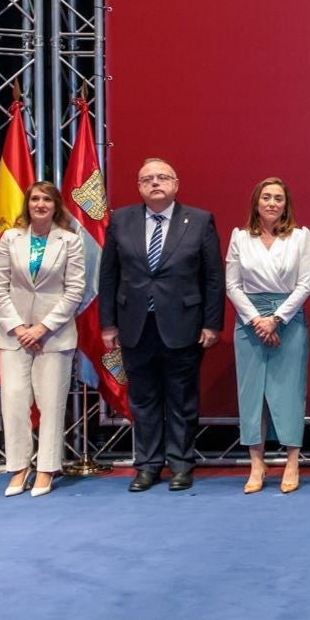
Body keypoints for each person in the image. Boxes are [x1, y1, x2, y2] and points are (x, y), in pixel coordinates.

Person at [99, 158, 225, 492]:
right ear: (139, 186)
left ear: (176, 184)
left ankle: (182, 465)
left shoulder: (199, 220)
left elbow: (213, 277)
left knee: (182, 399)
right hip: (134, 325)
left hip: (183, 324)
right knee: (143, 399)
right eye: (147, 179)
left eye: (162, 178)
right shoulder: (120, 220)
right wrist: (108, 324)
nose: (155, 183)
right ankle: (148, 465)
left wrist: (212, 324)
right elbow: (108, 274)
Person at [0, 182, 85, 497]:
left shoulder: (70, 240)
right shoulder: (10, 238)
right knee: (14, 401)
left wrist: (42, 327)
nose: (40, 204)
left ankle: (46, 468)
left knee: (51, 404)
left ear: (56, 205)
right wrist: (18, 327)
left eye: (46, 199)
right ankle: (18, 468)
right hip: (13, 335)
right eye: (34, 199)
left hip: (53, 336)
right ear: (27, 204)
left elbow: (74, 290)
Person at [225, 178, 310, 494]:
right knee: (252, 396)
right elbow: (232, 285)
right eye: (267, 197)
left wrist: (275, 319)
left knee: (289, 392)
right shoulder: (240, 237)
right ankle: (256, 464)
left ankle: (292, 462)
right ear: (256, 203)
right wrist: (256, 320)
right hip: (249, 322)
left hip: (287, 319)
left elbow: (305, 284)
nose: (273, 203)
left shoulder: (301, 237)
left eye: (278, 198)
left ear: (286, 204)